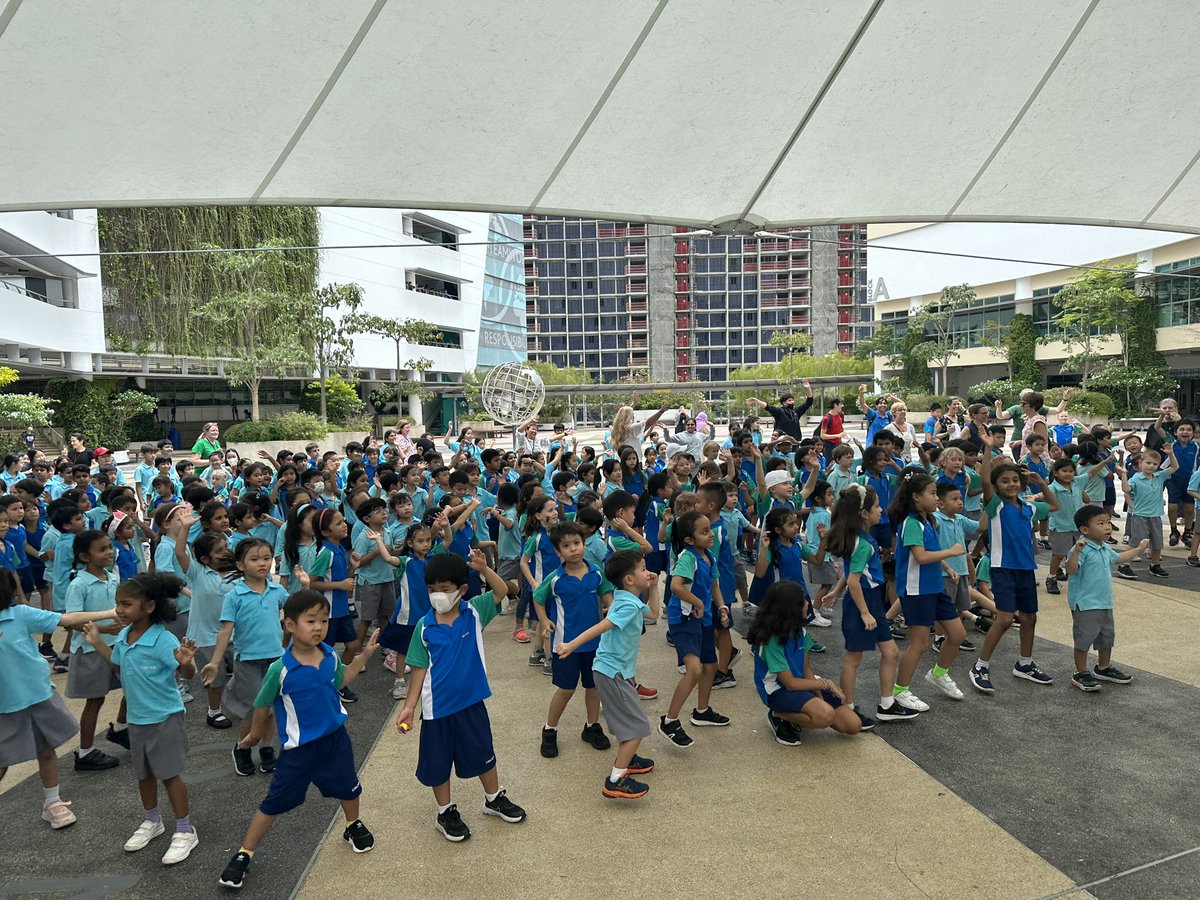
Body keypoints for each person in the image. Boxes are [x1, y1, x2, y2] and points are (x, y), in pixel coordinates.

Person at [218, 590, 380, 889]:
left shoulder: (330, 655)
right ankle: (244, 853)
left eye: (324, 620)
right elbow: (262, 705)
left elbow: (341, 681)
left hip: (335, 741)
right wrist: (255, 734)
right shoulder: (280, 669)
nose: (319, 627)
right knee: (274, 802)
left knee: (349, 787)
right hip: (298, 752)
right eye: (311, 621)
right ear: (290, 625)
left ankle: (352, 824)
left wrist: (365, 657)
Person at [395, 550, 527, 843]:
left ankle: (493, 798)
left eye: (444, 589)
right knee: (438, 763)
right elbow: (418, 669)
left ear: (462, 590)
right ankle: (445, 811)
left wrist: (484, 569)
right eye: (432, 590)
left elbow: (502, 590)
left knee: (483, 753)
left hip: (471, 703)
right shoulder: (425, 626)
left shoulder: (475, 611)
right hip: (437, 710)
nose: (437, 595)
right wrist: (409, 707)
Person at [83, 573, 200, 865]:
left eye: (127, 604)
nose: (120, 610)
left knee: (169, 774)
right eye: (118, 604)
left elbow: (185, 673)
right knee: (143, 773)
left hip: (165, 717)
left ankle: (186, 829)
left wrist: (187, 664)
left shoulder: (162, 639)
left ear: (149, 606)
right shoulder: (124, 636)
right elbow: (119, 667)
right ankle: (152, 820)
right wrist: (98, 642)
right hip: (137, 719)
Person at [0, 568, 119, 830]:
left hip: (37, 695)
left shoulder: (19, 614)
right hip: (4, 706)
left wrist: (111, 612)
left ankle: (52, 802)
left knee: (46, 749)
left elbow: (68, 619)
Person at [968, 452, 1059, 694]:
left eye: (1015, 480)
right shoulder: (995, 506)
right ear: (997, 486)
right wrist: (987, 449)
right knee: (1006, 618)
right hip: (1003, 568)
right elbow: (985, 481)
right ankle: (980, 666)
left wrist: (1041, 483)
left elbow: (1053, 505)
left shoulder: (1028, 506)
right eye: (1005, 481)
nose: (1011, 484)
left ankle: (1025, 664)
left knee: (1030, 618)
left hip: (1026, 569)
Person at [819, 484, 908, 729]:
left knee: (891, 653)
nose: (881, 510)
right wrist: (865, 612)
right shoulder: (863, 543)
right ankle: (846, 709)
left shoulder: (862, 539)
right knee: (852, 659)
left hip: (871, 603)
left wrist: (836, 592)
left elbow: (850, 574)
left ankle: (887, 704)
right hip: (864, 604)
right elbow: (856, 582)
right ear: (864, 513)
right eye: (877, 506)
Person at [200, 538, 290, 776]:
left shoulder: (276, 590)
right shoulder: (234, 596)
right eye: (254, 559)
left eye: (266, 558)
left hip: (275, 660)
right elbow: (225, 630)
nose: (262, 563)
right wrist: (215, 662)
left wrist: (306, 585)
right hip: (248, 660)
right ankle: (243, 747)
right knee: (253, 709)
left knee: (271, 707)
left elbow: (297, 611)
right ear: (240, 565)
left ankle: (267, 747)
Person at [533, 523, 614, 759]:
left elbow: (607, 598)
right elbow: (539, 599)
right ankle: (550, 730)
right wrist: (544, 620)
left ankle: (591, 727)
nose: (573, 549)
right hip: (565, 646)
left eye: (576, 543)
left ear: (584, 543)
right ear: (558, 552)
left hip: (595, 645)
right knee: (566, 689)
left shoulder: (596, 573)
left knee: (593, 687)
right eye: (566, 546)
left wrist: (611, 608)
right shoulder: (555, 579)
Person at [747, 581, 861, 746]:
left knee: (853, 725)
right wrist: (826, 684)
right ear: (789, 608)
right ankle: (778, 715)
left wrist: (819, 696)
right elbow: (790, 683)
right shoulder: (771, 639)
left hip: (801, 683)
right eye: (803, 601)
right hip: (777, 690)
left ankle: (804, 710)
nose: (808, 603)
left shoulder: (800, 630)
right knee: (825, 716)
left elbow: (806, 668)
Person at [892, 473, 967, 709]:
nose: (936, 498)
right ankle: (899, 690)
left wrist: (946, 567)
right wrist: (951, 554)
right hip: (917, 591)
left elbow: (929, 551)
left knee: (957, 634)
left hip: (933, 587)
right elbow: (921, 556)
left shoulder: (927, 520)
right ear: (915, 496)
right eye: (932, 493)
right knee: (920, 644)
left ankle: (938, 674)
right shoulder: (911, 523)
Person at [659, 511, 731, 748]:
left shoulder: (708, 555)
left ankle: (702, 711)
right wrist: (699, 603)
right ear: (689, 540)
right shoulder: (687, 558)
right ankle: (669, 720)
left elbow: (713, 583)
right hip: (684, 619)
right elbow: (677, 586)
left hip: (704, 619)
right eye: (704, 531)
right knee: (695, 669)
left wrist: (721, 606)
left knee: (710, 665)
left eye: (709, 529)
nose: (711, 534)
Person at [1065, 507, 1146, 692]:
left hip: (1104, 602)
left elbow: (1118, 558)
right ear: (1084, 530)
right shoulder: (1082, 547)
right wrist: (1076, 552)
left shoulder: (1103, 547)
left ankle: (1103, 668)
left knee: (1106, 637)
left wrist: (1138, 549)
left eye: (1108, 522)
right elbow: (1070, 570)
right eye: (1101, 523)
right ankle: (1080, 672)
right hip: (1085, 604)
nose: (1107, 527)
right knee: (1083, 639)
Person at [1118, 444, 1178, 579]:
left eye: (1155, 464)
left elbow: (1174, 467)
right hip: (1140, 516)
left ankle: (1155, 565)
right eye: (1148, 463)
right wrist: (1123, 475)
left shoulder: (1159, 476)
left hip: (1156, 515)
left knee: (1157, 543)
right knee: (1136, 542)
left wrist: (1170, 453)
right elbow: (1126, 489)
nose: (1151, 466)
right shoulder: (1136, 478)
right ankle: (1124, 565)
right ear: (1140, 462)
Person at [746, 381, 815, 442]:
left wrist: (808, 388)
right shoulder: (779, 412)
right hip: (780, 442)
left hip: (795, 441)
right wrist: (757, 401)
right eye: (790, 400)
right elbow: (768, 407)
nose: (792, 402)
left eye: (792, 400)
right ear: (784, 403)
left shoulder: (796, 412)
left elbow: (809, 402)